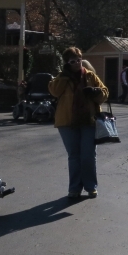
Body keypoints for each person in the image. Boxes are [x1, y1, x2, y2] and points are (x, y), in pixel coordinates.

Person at [49, 47, 109, 199]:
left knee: (88, 155)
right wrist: (64, 76)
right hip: (67, 122)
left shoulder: (90, 75)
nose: (77, 63)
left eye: (79, 60)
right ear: (67, 63)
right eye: (72, 61)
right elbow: (54, 91)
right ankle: (74, 188)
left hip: (89, 120)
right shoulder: (61, 77)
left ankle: (91, 186)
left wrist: (96, 92)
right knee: (74, 156)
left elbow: (105, 93)